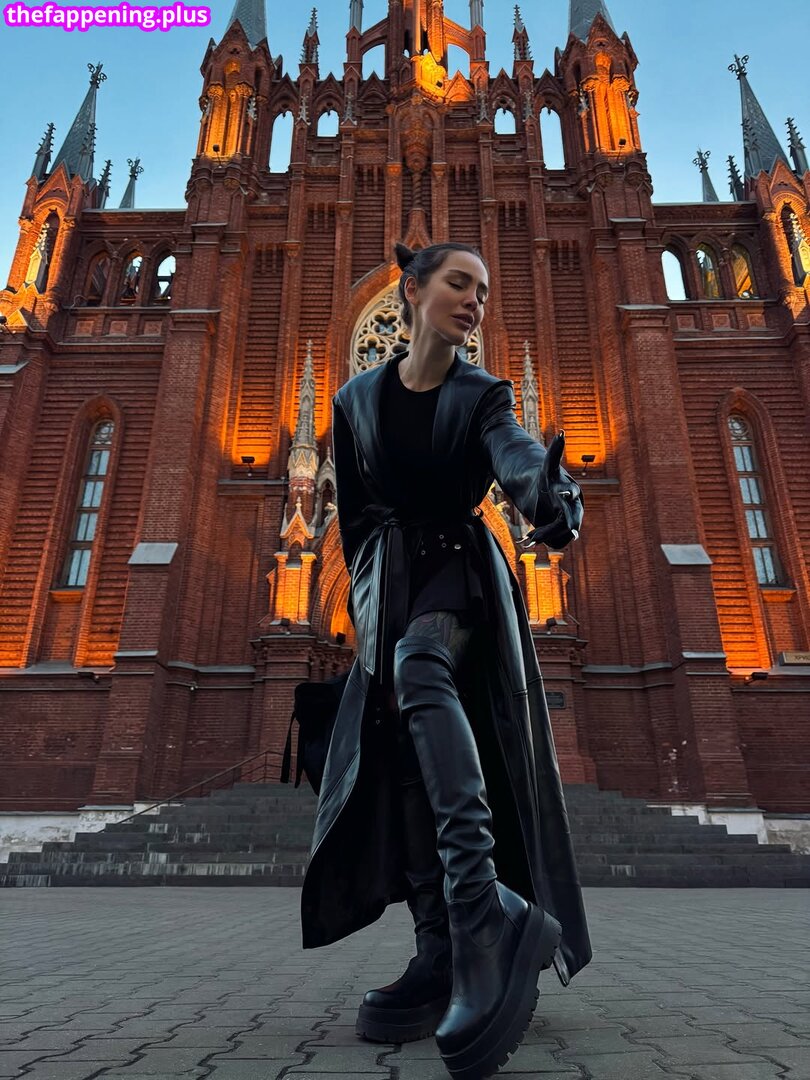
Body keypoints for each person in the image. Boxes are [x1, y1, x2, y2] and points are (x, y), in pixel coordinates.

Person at [300, 241, 592, 1080]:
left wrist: (549, 492)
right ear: (412, 291)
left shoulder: (482, 393)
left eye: (485, 291)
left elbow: (516, 455)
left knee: (422, 669)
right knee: (394, 746)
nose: (475, 300)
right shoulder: (354, 401)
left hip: (458, 571)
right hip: (387, 587)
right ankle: (439, 953)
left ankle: (481, 913)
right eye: (460, 283)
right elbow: (357, 520)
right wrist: (366, 611)